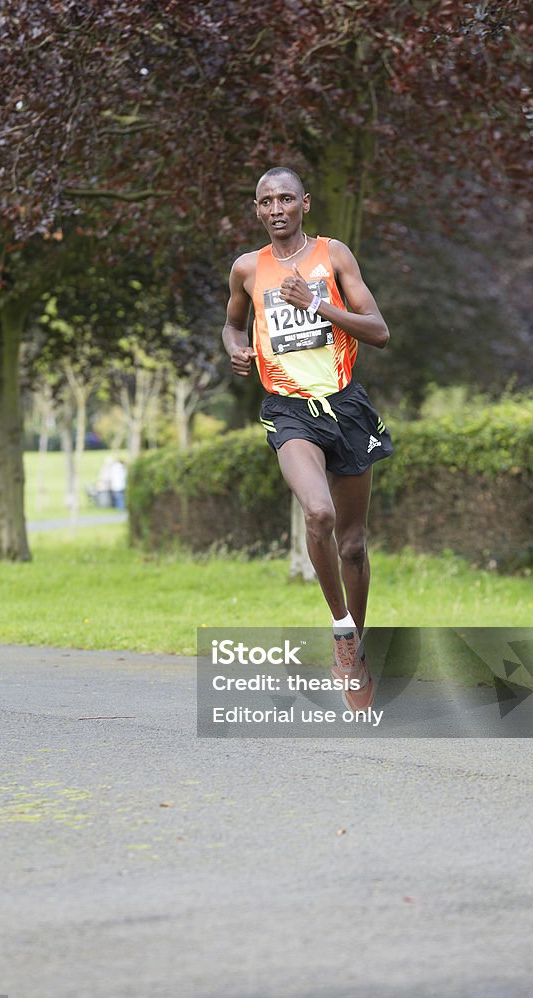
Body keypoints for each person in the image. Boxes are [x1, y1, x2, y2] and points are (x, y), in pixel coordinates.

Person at [222, 166, 393, 712]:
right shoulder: (248, 269)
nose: (276, 208)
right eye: (266, 201)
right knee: (317, 513)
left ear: (305, 204)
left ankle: (357, 648)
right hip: (289, 410)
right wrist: (235, 347)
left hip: (345, 405)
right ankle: (342, 631)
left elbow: (379, 331)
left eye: (286, 199)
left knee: (353, 543)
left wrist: (315, 303)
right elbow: (231, 323)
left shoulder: (334, 255)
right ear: (257, 210)